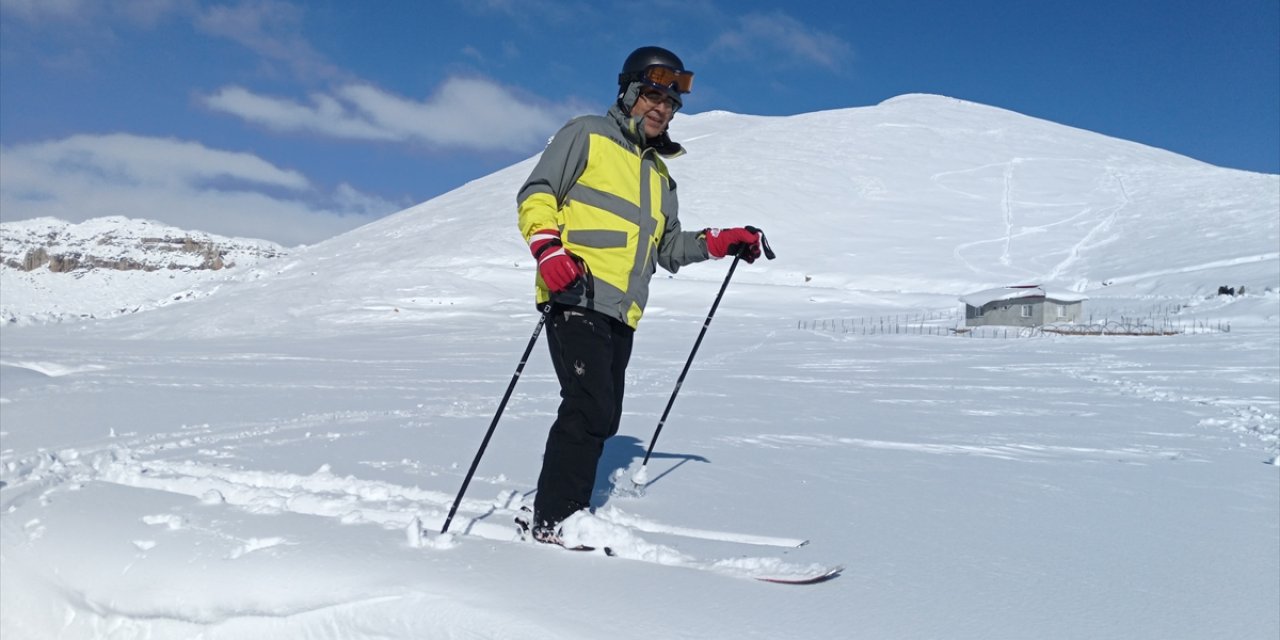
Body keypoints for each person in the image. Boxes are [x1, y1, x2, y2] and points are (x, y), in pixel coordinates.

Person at [515, 45, 763, 543]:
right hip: (575, 291)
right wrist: (549, 251)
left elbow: (668, 248)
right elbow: (537, 192)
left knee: (604, 415)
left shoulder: (660, 176)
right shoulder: (586, 134)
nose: (661, 108)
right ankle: (553, 521)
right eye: (652, 95)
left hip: (621, 310)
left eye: (670, 103)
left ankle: (554, 501)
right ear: (629, 93)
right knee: (587, 406)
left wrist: (718, 241)